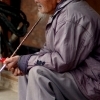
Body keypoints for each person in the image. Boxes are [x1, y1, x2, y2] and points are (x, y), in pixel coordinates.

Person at [4, 0, 100, 100]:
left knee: (38, 73)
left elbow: (63, 61)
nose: (35, 0)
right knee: (26, 69)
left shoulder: (71, 16)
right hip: (78, 75)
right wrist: (22, 61)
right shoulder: (63, 12)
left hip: (91, 84)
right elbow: (48, 52)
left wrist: (26, 61)